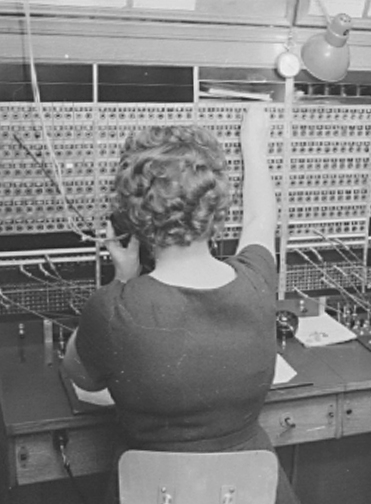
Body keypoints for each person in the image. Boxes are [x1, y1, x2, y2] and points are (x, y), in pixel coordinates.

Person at [62, 104, 299, 504]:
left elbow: (80, 376)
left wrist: (123, 278)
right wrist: (253, 145)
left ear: (134, 215)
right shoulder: (258, 281)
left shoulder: (113, 308)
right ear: (216, 206)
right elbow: (260, 220)